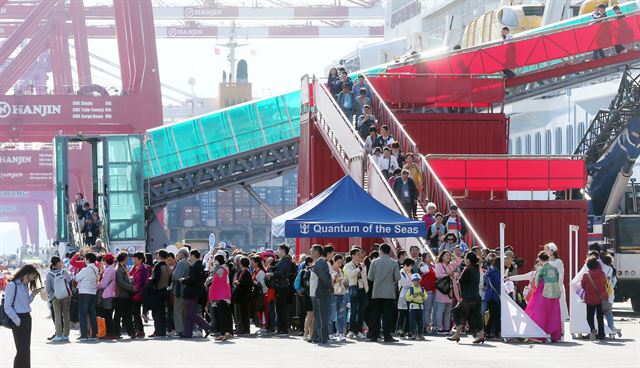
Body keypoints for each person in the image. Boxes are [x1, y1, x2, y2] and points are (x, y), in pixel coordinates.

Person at [3, 264, 42, 368]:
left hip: (27, 318)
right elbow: (7, 306)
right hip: (18, 319)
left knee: (26, 349)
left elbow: (25, 303)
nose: (31, 280)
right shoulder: (12, 285)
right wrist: (17, 320)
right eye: (31, 277)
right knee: (21, 350)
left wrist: (32, 295)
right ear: (25, 274)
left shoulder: (24, 286)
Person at [524, 251, 562, 342]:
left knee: (537, 312)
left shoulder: (541, 269)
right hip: (553, 293)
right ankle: (554, 335)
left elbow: (537, 282)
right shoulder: (554, 268)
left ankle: (538, 334)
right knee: (552, 313)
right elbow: (557, 279)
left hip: (542, 292)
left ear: (540, 259)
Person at [448, 252, 485, 344]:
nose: (464, 260)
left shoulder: (467, 269)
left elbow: (462, 281)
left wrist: (457, 276)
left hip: (468, 297)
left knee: (459, 313)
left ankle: (457, 334)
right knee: (475, 317)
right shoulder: (477, 269)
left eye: (465, 258)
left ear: (468, 260)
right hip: (476, 296)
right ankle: (481, 335)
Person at [367, 243, 401, 342]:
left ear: (380, 250)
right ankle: (387, 335)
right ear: (389, 251)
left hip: (376, 292)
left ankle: (374, 335)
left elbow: (370, 277)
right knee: (387, 315)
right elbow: (398, 277)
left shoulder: (374, 262)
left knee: (375, 315)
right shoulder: (394, 262)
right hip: (389, 293)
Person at [181, 249, 212, 338]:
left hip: (193, 292)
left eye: (190, 256)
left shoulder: (196, 267)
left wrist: (183, 280)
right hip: (196, 292)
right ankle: (187, 333)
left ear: (193, 256)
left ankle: (207, 326)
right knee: (189, 313)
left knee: (190, 313)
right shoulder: (200, 265)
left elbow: (192, 280)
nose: (189, 258)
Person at [266, 244, 294, 336]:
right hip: (280, 286)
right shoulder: (282, 260)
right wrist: (271, 268)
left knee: (281, 308)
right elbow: (278, 269)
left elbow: (283, 273)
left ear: (283, 250)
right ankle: (281, 328)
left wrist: (272, 274)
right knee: (279, 308)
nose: (277, 251)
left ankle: (283, 329)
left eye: (279, 249)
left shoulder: (286, 260)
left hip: (283, 287)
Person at [45, 256, 72, 342]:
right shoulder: (64, 271)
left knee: (58, 316)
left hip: (56, 297)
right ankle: (66, 335)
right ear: (57, 263)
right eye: (60, 261)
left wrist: (53, 296)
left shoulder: (49, 275)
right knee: (66, 315)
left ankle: (59, 335)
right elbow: (70, 280)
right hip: (66, 296)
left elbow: (48, 289)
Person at [581, 257, 609, 341]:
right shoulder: (602, 274)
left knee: (590, 316)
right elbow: (605, 283)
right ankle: (601, 334)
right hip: (601, 298)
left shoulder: (586, 275)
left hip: (590, 299)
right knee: (600, 317)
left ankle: (592, 329)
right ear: (597, 265)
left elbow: (582, 286)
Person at [434, 250, 461, 334]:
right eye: (446, 255)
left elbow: (459, 261)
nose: (448, 257)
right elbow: (437, 275)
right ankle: (439, 328)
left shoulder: (450, 265)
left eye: (449, 256)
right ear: (441, 257)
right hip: (442, 290)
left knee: (448, 311)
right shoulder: (438, 265)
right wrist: (448, 274)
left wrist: (453, 254)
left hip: (450, 291)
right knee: (440, 310)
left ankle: (447, 328)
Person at [310, 245, 333, 345]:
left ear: (317, 252)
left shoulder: (320, 262)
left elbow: (324, 277)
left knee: (321, 316)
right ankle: (316, 336)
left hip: (320, 293)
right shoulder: (319, 262)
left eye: (312, 250)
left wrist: (330, 287)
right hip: (318, 293)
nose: (310, 251)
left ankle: (322, 337)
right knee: (318, 316)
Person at [74, 252, 100, 340]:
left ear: (88, 260)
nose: (84, 260)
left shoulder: (85, 269)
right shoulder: (96, 269)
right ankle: (94, 334)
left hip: (84, 293)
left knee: (83, 314)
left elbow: (76, 278)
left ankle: (84, 334)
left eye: (85, 259)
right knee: (92, 314)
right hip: (93, 293)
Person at [344, 247, 368, 339]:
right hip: (353, 288)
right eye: (358, 254)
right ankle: (351, 330)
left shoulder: (362, 265)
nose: (360, 256)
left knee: (362, 311)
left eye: (360, 254)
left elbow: (365, 278)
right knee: (354, 311)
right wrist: (359, 269)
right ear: (353, 255)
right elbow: (350, 275)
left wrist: (366, 289)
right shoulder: (348, 265)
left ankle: (359, 331)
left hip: (362, 289)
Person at [209, 253, 232, 341]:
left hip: (223, 295)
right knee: (221, 315)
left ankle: (226, 333)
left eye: (215, 260)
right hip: (220, 295)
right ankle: (223, 333)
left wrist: (211, 263)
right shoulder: (222, 268)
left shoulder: (221, 269)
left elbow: (212, 272)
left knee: (223, 315)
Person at [112, 252, 135, 339]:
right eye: (126, 258)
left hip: (124, 295)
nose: (127, 259)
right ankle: (118, 333)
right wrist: (131, 288)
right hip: (121, 295)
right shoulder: (119, 269)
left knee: (125, 315)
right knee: (120, 315)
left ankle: (129, 332)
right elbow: (121, 282)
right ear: (123, 258)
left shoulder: (122, 267)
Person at [149, 249, 171, 337]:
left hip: (157, 292)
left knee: (156, 313)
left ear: (159, 256)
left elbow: (155, 279)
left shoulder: (158, 266)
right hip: (165, 291)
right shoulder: (167, 266)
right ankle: (162, 331)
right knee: (163, 313)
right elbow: (169, 280)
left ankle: (157, 331)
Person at [545, 242, 568, 322]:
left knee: (560, 307)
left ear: (552, 250)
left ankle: (562, 329)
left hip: (557, 287)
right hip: (548, 288)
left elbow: (561, 274)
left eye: (547, 250)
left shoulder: (558, 262)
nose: (546, 251)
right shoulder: (546, 261)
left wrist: (558, 286)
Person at [96, 253, 116, 339]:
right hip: (109, 294)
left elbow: (103, 284)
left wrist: (95, 285)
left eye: (103, 260)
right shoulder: (110, 269)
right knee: (107, 315)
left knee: (107, 315)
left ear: (106, 261)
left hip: (107, 295)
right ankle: (109, 333)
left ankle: (110, 333)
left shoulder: (109, 270)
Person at [171, 248, 190, 337]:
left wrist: (172, 273)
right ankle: (184, 329)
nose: (177, 254)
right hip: (186, 289)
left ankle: (179, 330)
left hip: (179, 289)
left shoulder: (181, 263)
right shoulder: (188, 263)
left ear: (182, 254)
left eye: (178, 253)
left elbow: (175, 276)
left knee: (178, 310)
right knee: (183, 311)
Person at [130, 252, 149, 338]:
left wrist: (134, 289)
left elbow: (141, 283)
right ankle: (138, 329)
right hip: (134, 292)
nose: (133, 260)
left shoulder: (143, 268)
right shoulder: (135, 267)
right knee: (135, 312)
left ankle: (140, 330)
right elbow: (130, 275)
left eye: (135, 259)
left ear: (140, 259)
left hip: (139, 293)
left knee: (135, 312)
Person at [233, 257, 253, 335]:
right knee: (240, 313)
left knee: (244, 313)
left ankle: (245, 329)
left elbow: (247, 284)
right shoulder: (241, 272)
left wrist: (239, 283)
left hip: (244, 296)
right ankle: (241, 328)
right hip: (240, 296)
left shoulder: (246, 272)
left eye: (240, 262)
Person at [330, 254, 348, 341]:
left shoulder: (341, 271)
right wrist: (334, 280)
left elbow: (345, 283)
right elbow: (329, 284)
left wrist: (345, 283)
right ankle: (330, 333)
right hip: (333, 294)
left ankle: (341, 333)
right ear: (334, 261)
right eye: (338, 262)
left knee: (341, 315)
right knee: (331, 315)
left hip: (341, 294)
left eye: (341, 262)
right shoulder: (330, 271)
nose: (340, 264)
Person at [251, 255, 270, 334]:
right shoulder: (255, 271)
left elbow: (262, 284)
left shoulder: (261, 272)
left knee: (263, 311)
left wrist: (253, 281)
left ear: (257, 263)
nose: (251, 264)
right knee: (260, 311)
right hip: (258, 294)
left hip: (263, 294)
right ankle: (262, 325)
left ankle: (264, 326)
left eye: (252, 262)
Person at [405, 273, 427, 340]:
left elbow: (425, 297)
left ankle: (420, 334)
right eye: (415, 280)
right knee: (413, 322)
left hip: (420, 307)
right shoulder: (410, 289)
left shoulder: (422, 289)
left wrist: (423, 295)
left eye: (418, 280)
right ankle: (413, 334)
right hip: (413, 307)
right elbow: (407, 298)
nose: (416, 282)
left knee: (420, 322)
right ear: (412, 281)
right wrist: (413, 296)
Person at [483, 257, 501, 339]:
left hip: (489, 295)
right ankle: (492, 332)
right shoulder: (496, 272)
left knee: (493, 315)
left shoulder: (490, 270)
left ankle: (489, 332)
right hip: (495, 296)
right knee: (496, 316)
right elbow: (497, 284)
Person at [396, 258, 414, 337]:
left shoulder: (409, 273)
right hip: (403, 294)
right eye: (410, 266)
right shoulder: (401, 273)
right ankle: (400, 329)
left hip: (409, 294)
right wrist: (411, 281)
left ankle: (407, 330)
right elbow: (404, 283)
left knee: (408, 314)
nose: (411, 268)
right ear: (406, 265)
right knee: (402, 313)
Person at [419, 253, 437, 334]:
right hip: (427, 290)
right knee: (427, 309)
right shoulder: (423, 266)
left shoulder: (433, 266)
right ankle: (426, 326)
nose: (430, 258)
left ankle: (432, 325)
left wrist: (433, 263)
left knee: (434, 309)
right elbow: (425, 271)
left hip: (434, 290)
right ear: (424, 258)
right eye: (428, 256)